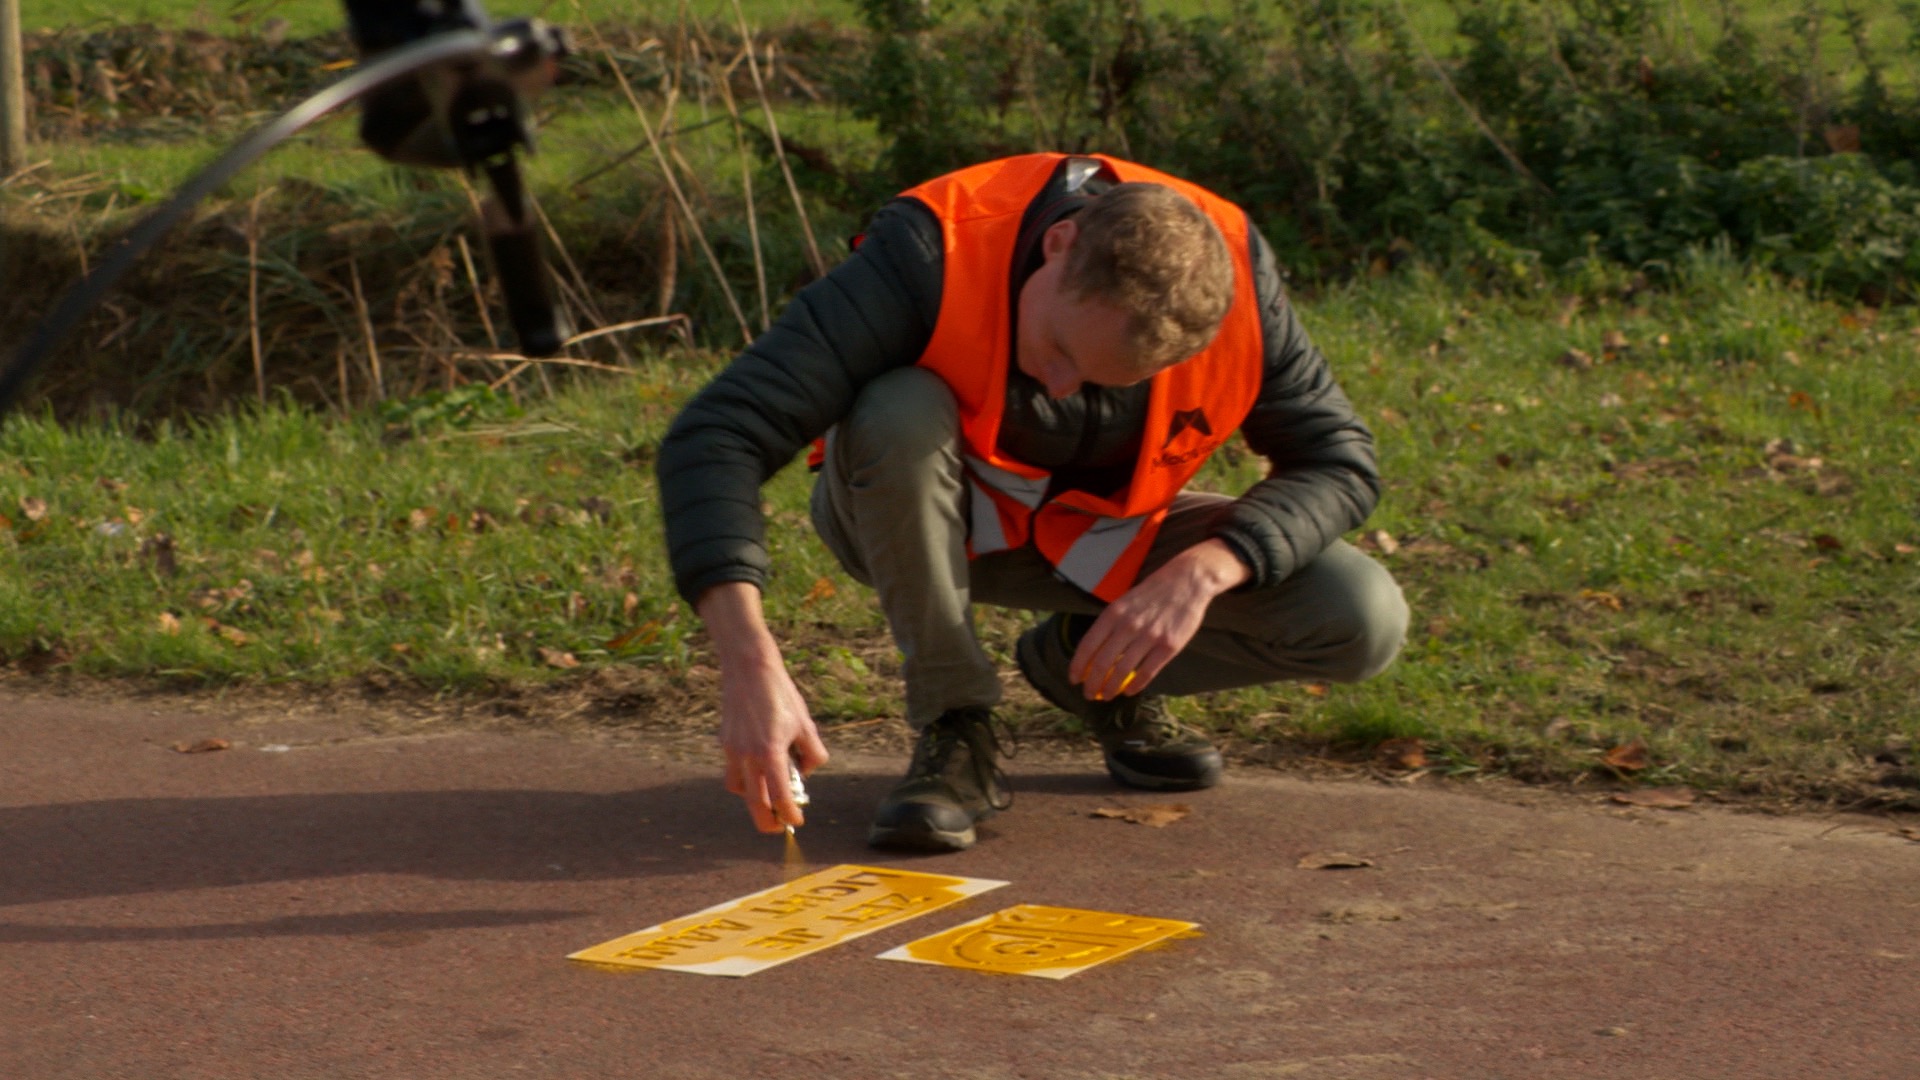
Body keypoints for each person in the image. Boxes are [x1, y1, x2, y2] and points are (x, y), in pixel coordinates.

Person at [655, 152, 1409, 853]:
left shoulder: (1238, 279)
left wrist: (1210, 568)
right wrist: (749, 663)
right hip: (918, 514)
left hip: (1104, 533)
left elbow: (1339, 460)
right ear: (1059, 246)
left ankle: (1089, 673)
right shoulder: (929, 252)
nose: (1057, 389)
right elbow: (717, 434)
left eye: (1105, 381)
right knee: (897, 406)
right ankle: (956, 727)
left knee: (1360, 618)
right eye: (1058, 351)